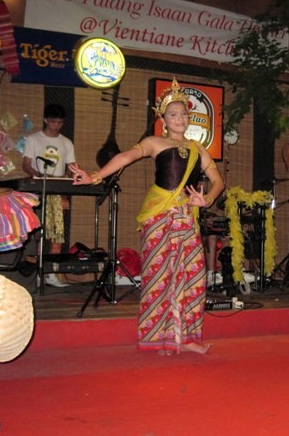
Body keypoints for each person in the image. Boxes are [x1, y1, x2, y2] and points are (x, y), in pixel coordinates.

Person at [70, 78, 224, 355]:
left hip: (187, 218)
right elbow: (125, 157)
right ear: (163, 119)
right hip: (159, 216)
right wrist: (95, 176)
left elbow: (218, 181)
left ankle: (187, 338)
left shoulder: (198, 148)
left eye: (183, 114)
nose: (180, 118)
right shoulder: (154, 142)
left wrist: (208, 199)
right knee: (158, 277)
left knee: (193, 277)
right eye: (173, 114)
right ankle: (160, 338)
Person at [22, 103, 76, 287]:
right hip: (38, 190)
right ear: (45, 120)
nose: (56, 126)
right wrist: (38, 175)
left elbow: (71, 167)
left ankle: (51, 273)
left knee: (57, 231)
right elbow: (26, 164)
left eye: (60, 122)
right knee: (38, 231)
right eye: (53, 122)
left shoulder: (66, 142)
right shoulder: (33, 139)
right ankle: (38, 272)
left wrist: (69, 175)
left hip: (58, 189)